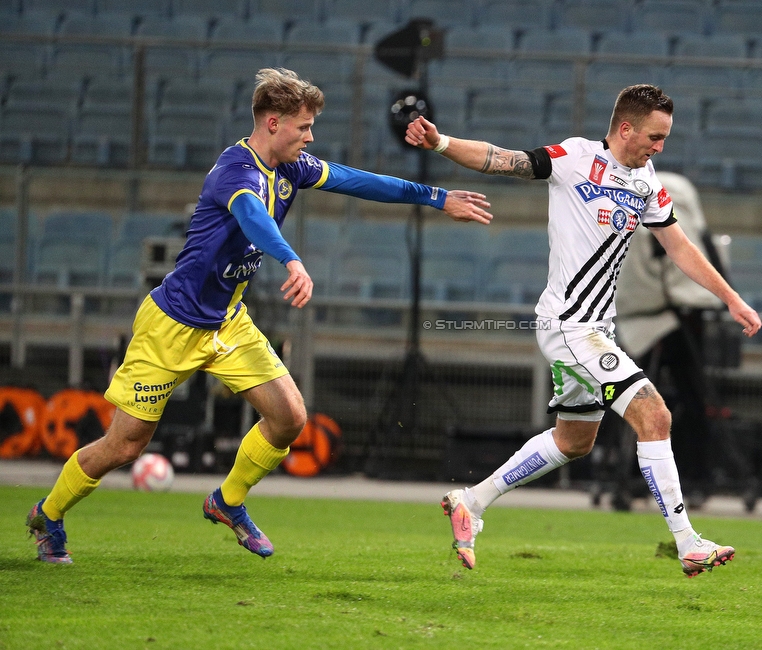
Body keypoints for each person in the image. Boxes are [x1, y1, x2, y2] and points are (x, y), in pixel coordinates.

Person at [26, 67, 493, 564]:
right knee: (124, 447)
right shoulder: (237, 171)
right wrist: (290, 258)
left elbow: (359, 181)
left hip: (227, 322)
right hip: (171, 325)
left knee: (290, 418)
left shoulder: (291, 167)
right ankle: (49, 515)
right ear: (273, 123)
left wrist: (437, 197)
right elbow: (253, 216)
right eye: (303, 127)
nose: (310, 137)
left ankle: (226, 501)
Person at [405, 84, 762, 577]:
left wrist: (731, 297)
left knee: (573, 441)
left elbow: (680, 248)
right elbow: (503, 159)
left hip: (595, 330)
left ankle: (472, 501)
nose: (660, 147)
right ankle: (688, 543)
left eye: (665, 138)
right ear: (625, 128)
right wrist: (442, 143)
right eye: (654, 136)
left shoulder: (646, 180)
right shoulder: (573, 159)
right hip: (571, 327)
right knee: (654, 415)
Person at [602, 172, 727, 510]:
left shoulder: (677, 191)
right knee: (638, 401)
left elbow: (694, 242)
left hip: (682, 315)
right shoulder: (648, 194)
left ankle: (695, 478)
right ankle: (631, 477)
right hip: (647, 314)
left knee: (691, 397)